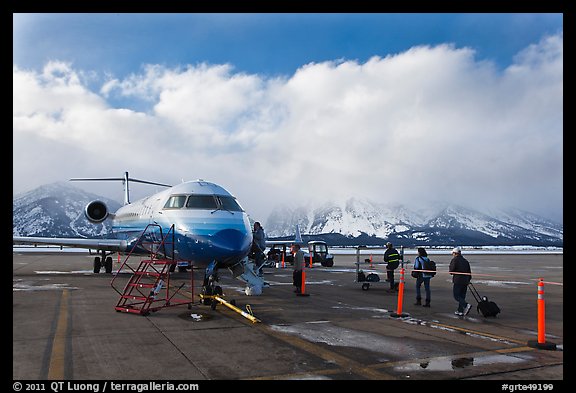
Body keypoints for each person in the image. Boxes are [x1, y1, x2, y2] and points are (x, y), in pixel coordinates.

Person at [449, 247, 472, 316]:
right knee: (462, 296)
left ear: (455, 253)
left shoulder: (455, 260)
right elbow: (469, 271)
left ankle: (466, 305)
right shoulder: (465, 261)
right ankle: (460, 310)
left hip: (458, 280)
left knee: (456, 295)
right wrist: (469, 279)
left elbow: (451, 271)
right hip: (465, 280)